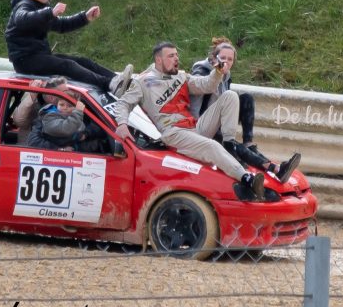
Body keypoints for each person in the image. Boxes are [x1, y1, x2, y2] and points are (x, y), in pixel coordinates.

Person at [113, 42, 266, 201]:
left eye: (176, 55)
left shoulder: (181, 75)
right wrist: (122, 124)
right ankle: (247, 179)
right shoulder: (142, 82)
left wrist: (218, 71)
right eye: (171, 56)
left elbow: (206, 85)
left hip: (193, 127)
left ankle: (230, 144)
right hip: (173, 133)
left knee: (230, 96)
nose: (176, 59)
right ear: (159, 60)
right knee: (212, 145)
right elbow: (123, 103)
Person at [5, 0, 133, 95]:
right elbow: (22, 19)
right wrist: (51, 12)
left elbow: (61, 25)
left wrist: (85, 17)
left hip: (39, 56)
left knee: (83, 62)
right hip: (25, 61)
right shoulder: (24, 4)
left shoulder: (41, 6)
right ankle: (109, 84)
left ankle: (120, 81)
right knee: (67, 65)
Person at [190, 37, 302, 183]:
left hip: (218, 121)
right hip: (201, 124)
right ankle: (275, 168)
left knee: (246, 98)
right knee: (232, 145)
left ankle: (249, 144)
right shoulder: (202, 70)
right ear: (214, 57)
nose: (227, 62)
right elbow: (194, 100)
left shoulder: (226, 75)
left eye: (230, 59)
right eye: (223, 58)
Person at [28, 91, 104, 153]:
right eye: (62, 105)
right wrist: (60, 149)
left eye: (70, 106)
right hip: (55, 157)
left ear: (75, 107)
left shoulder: (75, 115)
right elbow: (65, 128)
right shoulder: (49, 116)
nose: (65, 108)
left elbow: (98, 127)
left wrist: (85, 134)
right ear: (56, 105)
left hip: (77, 154)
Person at [11, 77, 69, 144]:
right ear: (52, 98)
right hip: (30, 151)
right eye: (65, 93)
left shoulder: (63, 109)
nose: (68, 96)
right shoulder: (35, 108)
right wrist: (32, 95)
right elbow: (18, 120)